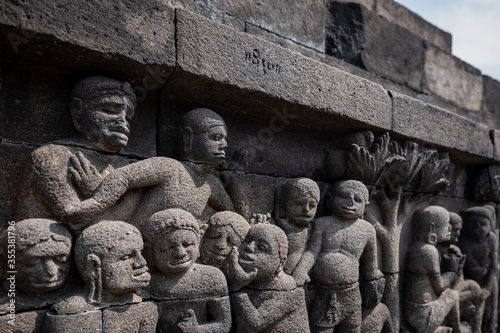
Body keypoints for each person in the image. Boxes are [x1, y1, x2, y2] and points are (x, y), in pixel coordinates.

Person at [62, 108, 248, 232]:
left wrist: (234, 181)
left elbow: (236, 219)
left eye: (224, 139)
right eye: (215, 137)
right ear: (188, 138)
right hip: (134, 238)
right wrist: (97, 202)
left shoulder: (210, 184)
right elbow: (124, 176)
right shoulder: (170, 167)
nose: (224, 145)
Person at [15, 76, 141, 233]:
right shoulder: (52, 156)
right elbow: (76, 220)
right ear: (78, 110)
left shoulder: (122, 165)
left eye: (128, 116)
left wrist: (97, 193)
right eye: (109, 110)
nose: (122, 121)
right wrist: (107, 198)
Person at [292, 180, 384, 333]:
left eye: (357, 200)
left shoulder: (367, 229)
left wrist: (373, 280)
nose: (350, 203)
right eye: (343, 196)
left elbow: (370, 263)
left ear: (365, 207)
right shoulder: (322, 223)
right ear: (329, 200)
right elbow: (312, 252)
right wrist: (300, 271)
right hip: (324, 292)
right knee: (321, 328)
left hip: (351, 293)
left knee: (352, 329)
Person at [45, 221, 157, 333]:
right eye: (126, 257)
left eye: (140, 252)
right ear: (93, 266)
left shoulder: (147, 308)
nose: (142, 262)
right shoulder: (69, 315)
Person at [143, 209, 231, 333]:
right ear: (151, 254)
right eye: (167, 248)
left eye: (187, 244)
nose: (180, 253)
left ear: (198, 244)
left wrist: (198, 330)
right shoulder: (150, 284)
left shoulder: (212, 277)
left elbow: (223, 324)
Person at [229, 223, 310, 333]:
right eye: (248, 241)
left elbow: (255, 323)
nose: (249, 247)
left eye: (261, 248)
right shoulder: (250, 281)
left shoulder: (289, 293)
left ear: (280, 263)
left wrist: (236, 288)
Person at [403, 206, 462, 333]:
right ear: (432, 228)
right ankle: (458, 330)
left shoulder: (415, 246)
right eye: (446, 225)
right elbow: (439, 288)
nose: (450, 228)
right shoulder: (429, 251)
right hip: (422, 318)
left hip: (410, 313)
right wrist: (452, 271)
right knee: (452, 295)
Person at [437, 212, 489, 333]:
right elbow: (438, 286)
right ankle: (457, 323)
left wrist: (458, 271)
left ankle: (476, 329)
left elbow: (459, 279)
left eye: (459, 230)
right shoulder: (436, 252)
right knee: (463, 294)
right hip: (441, 293)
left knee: (476, 288)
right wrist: (452, 270)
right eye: (454, 230)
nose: (458, 234)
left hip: (454, 289)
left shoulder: (455, 250)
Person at [459, 206, 498, 333]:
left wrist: (487, 288)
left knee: (490, 312)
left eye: (483, 224)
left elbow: (493, 266)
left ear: (490, 225)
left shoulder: (491, 238)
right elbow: (473, 269)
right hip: (471, 282)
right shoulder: (463, 242)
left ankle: (491, 326)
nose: (478, 228)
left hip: (489, 280)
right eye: (473, 224)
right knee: (475, 314)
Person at [273, 177, 320, 274]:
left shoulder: (316, 228)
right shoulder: (277, 224)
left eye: (312, 205)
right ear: (283, 204)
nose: (306, 210)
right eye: (299, 204)